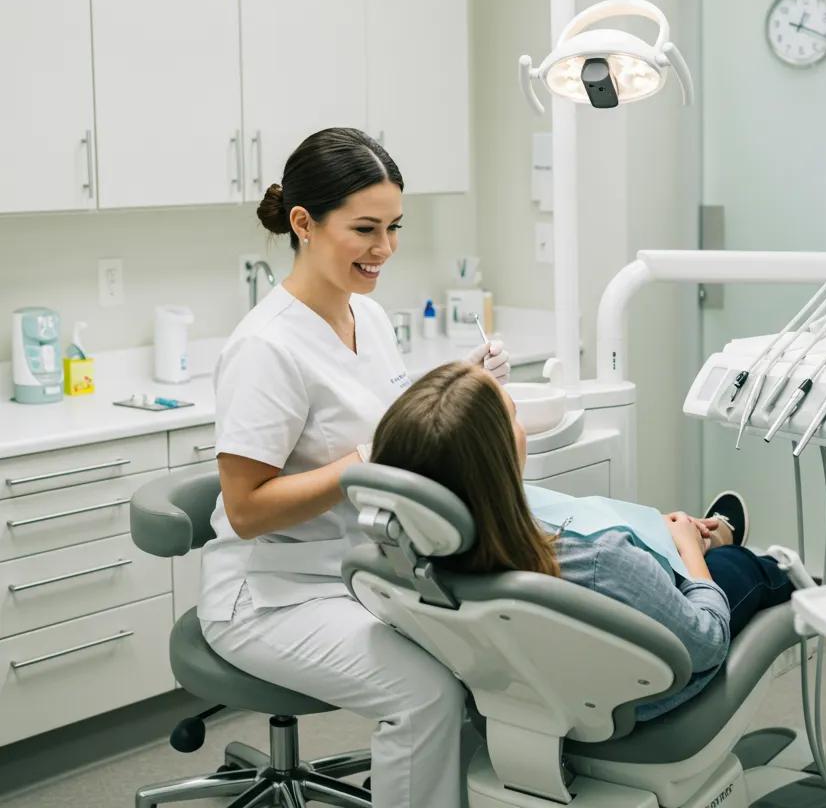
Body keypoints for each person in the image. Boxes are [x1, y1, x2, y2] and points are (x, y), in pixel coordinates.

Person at [198, 128, 510, 808]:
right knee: (424, 694)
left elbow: (381, 419)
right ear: (304, 224)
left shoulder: (368, 317)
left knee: (490, 655)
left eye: (394, 227)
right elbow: (247, 509)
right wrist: (360, 465)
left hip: (363, 569)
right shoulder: (266, 349)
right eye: (365, 229)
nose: (386, 249)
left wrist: (458, 386)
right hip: (272, 595)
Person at [370, 361, 795, 720]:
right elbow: (706, 643)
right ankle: (767, 564)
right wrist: (687, 552)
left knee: (672, 539)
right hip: (630, 705)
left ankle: (706, 536)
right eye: (513, 416)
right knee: (744, 568)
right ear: (496, 457)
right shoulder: (598, 561)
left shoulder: (413, 559)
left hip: (519, 700)